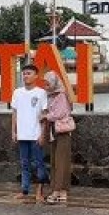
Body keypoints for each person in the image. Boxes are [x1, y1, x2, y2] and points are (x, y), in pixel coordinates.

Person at [10, 63, 49, 203]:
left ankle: (40, 191)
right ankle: (24, 190)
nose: (26, 76)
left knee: (38, 163)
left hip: (35, 134)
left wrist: (43, 134)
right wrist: (13, 131)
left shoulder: (41, 93)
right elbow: (14, 113)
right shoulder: (17, 92)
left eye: (29, 73)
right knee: (24, 163)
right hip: (22, 134)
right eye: (24, 73)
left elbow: (44, 115)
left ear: (36, 76)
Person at [42, 70, 77, 205]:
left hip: (61, 131)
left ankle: (57, 190)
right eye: (45, 83)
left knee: (61, 161)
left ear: (54, 82)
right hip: (54, 131)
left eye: (48, 83)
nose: (46, 85)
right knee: (57, 161)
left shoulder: (61, 95)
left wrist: (45, 116)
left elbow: (59, 113)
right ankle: (62, 191)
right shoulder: (51, 95)